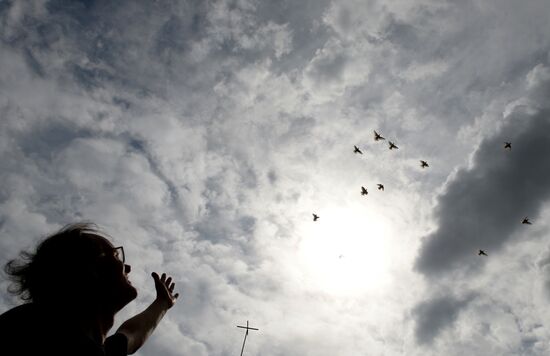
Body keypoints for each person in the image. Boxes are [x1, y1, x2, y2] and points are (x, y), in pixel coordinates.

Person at [0, 222, 179, 356]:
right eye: (115, 256)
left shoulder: (89, 344)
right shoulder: (26, 328)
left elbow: (131, 334)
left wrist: (162, 303)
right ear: (85, 267)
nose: (128, 267)